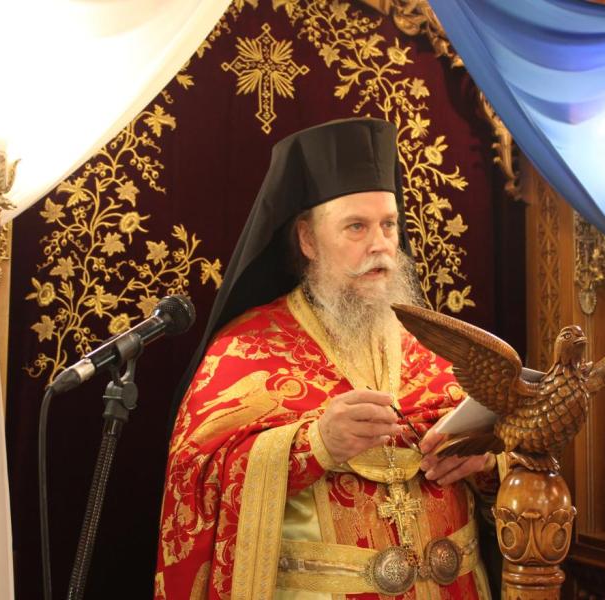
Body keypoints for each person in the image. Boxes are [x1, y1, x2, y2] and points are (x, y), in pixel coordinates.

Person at [155, 118, 496, 599]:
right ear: (308, 240)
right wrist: (312, 446)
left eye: (389, 225)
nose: (380, 245)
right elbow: (196, 479)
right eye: (356, 227)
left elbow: (504, 458)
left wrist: (486, 465)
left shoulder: (436, 343)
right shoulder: (247, 349)